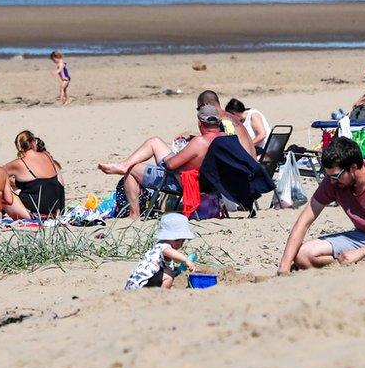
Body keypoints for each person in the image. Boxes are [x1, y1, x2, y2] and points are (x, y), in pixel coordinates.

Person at [277, 137, 365, 273]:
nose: (332, 182)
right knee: (303, 255)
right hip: (363, 236)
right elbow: (303, 222)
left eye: (336, 176)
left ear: (353, 167)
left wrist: (361, 252)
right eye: (329, 176)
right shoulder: (333, 181)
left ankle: (362, 265)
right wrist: (284, 266)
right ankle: (349, 267)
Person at [98, 104, 226, 218]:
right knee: (155, 142)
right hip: (211, 183)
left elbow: (171, 165)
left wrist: (172, 156)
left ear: (200, 123)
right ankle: (124, 165)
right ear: (218, 122)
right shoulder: (224, 139)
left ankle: (134, 214)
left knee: (132, 169)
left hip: (183, 181)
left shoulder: (199, 142)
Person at [125, 213, 197, 290]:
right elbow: (168, 251)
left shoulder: (159, 244)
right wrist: (186, 260)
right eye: (177, 240)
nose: (180, 244)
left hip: (135, 281)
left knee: (168, 270)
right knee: (169, 276)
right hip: (144, 282)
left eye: (183, 241)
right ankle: (162, 295)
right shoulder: (164, 246)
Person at [4, 130, 66, 218]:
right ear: (33, 142)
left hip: (36, 214)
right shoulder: (47, 156)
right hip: (56, 210)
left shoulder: (19, 163)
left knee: (3, 189)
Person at [196, 90, 255, 156]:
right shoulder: (230, 117)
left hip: (242, 164)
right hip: (252, 163)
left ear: (205, 105)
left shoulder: (223, 122)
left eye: (199, 109)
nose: (199, 112)